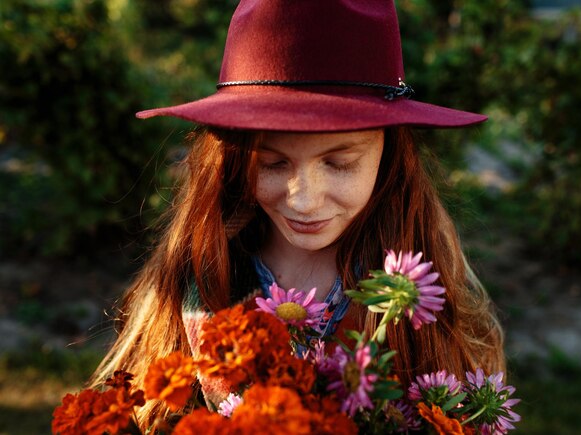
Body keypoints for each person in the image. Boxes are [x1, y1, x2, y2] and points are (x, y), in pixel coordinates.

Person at [90, 0, 504, 428]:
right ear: (232, 160)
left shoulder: (416, 281)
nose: (304, 201)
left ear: (390, 153)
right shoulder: (199, 273)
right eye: (272, 164)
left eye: (339, 163)